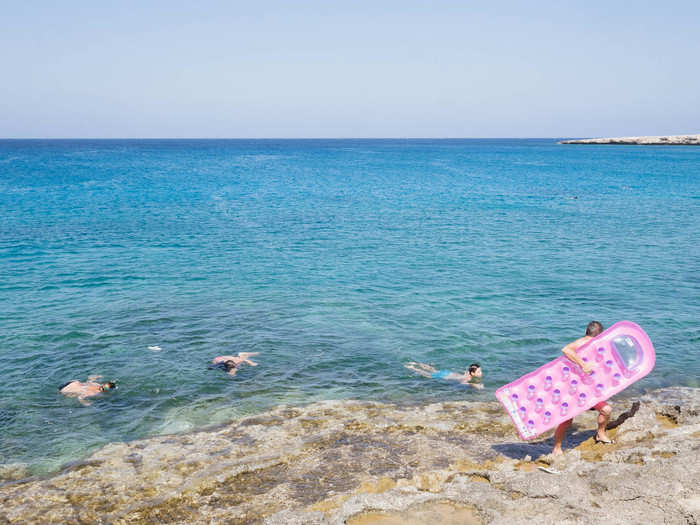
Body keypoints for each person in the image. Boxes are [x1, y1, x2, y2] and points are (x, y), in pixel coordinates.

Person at [552, 321, 614, 455]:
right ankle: (557, 449)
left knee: (606, 410)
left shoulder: (599, 345)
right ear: (599, 334)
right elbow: (565, 349)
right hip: (574, 390)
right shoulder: (582, 342)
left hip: (591, 390)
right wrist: (583, 364)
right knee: (566, 420)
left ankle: (600, 434)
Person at [405, 361, 483, 389]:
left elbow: (468, 369)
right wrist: (475, 385)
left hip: (447, 372)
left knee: (433, 370)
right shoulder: (468, 378)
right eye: (479, 372)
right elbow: (463, 383)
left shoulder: (467, 372)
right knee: (427, 374)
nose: (481, 373)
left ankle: (416, 363)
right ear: (472, 373)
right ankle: (412, 368)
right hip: (444, 376)